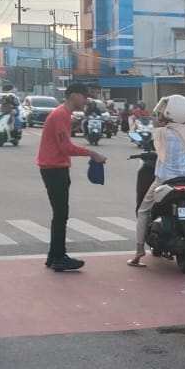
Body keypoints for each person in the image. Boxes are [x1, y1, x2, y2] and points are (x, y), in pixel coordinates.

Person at [37, 82, 109, 272]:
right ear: (73, 95)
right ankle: (59, 257)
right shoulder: (61, 115)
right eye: (84, 96)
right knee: (61, 214)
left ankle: (54, 256)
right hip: (54, 169)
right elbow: (65, 148)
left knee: (60, 214)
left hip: (53, 167)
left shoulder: (64, 114)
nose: (86, 100)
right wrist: (92, 153)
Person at [128, 94, 185, 267]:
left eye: (163, 110)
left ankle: (139, 251)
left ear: (170, 112)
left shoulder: (161, 133)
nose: (160, 113)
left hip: (167, 181)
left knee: (143, 211)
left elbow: (157, 150)